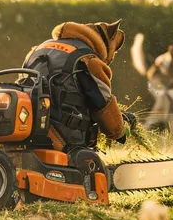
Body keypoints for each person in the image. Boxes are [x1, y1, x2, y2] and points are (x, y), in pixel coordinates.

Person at [21, 20, 134, 151]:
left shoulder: (37, 50)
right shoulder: (88, 60)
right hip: (65, 140)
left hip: (29, 131)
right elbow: (103, 107)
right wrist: (123, 130)